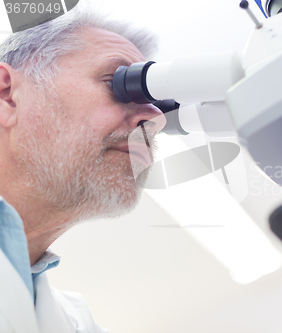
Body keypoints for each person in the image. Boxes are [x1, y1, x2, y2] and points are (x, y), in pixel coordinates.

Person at [0, 3, 165, 332]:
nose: (156, 118)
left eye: (156, 101)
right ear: (8, 95)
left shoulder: (78, 324)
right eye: (117, 83)